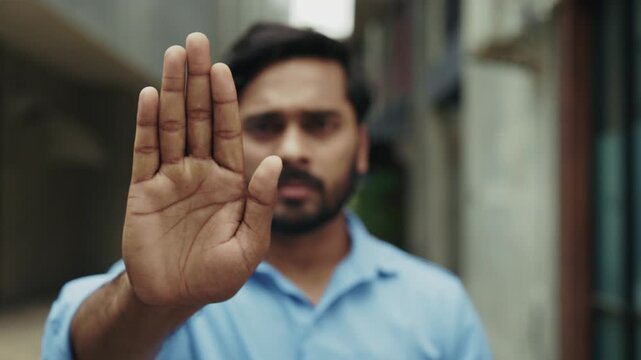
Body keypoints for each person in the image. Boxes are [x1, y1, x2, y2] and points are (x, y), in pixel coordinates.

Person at [42, 23, 492, 359]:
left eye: (320, 124)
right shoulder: (164, 285)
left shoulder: (438, 305)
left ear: (361, 148)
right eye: (266, 125)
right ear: (229, 138)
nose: (292, 150)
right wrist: (150, 304)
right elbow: (84, 346)